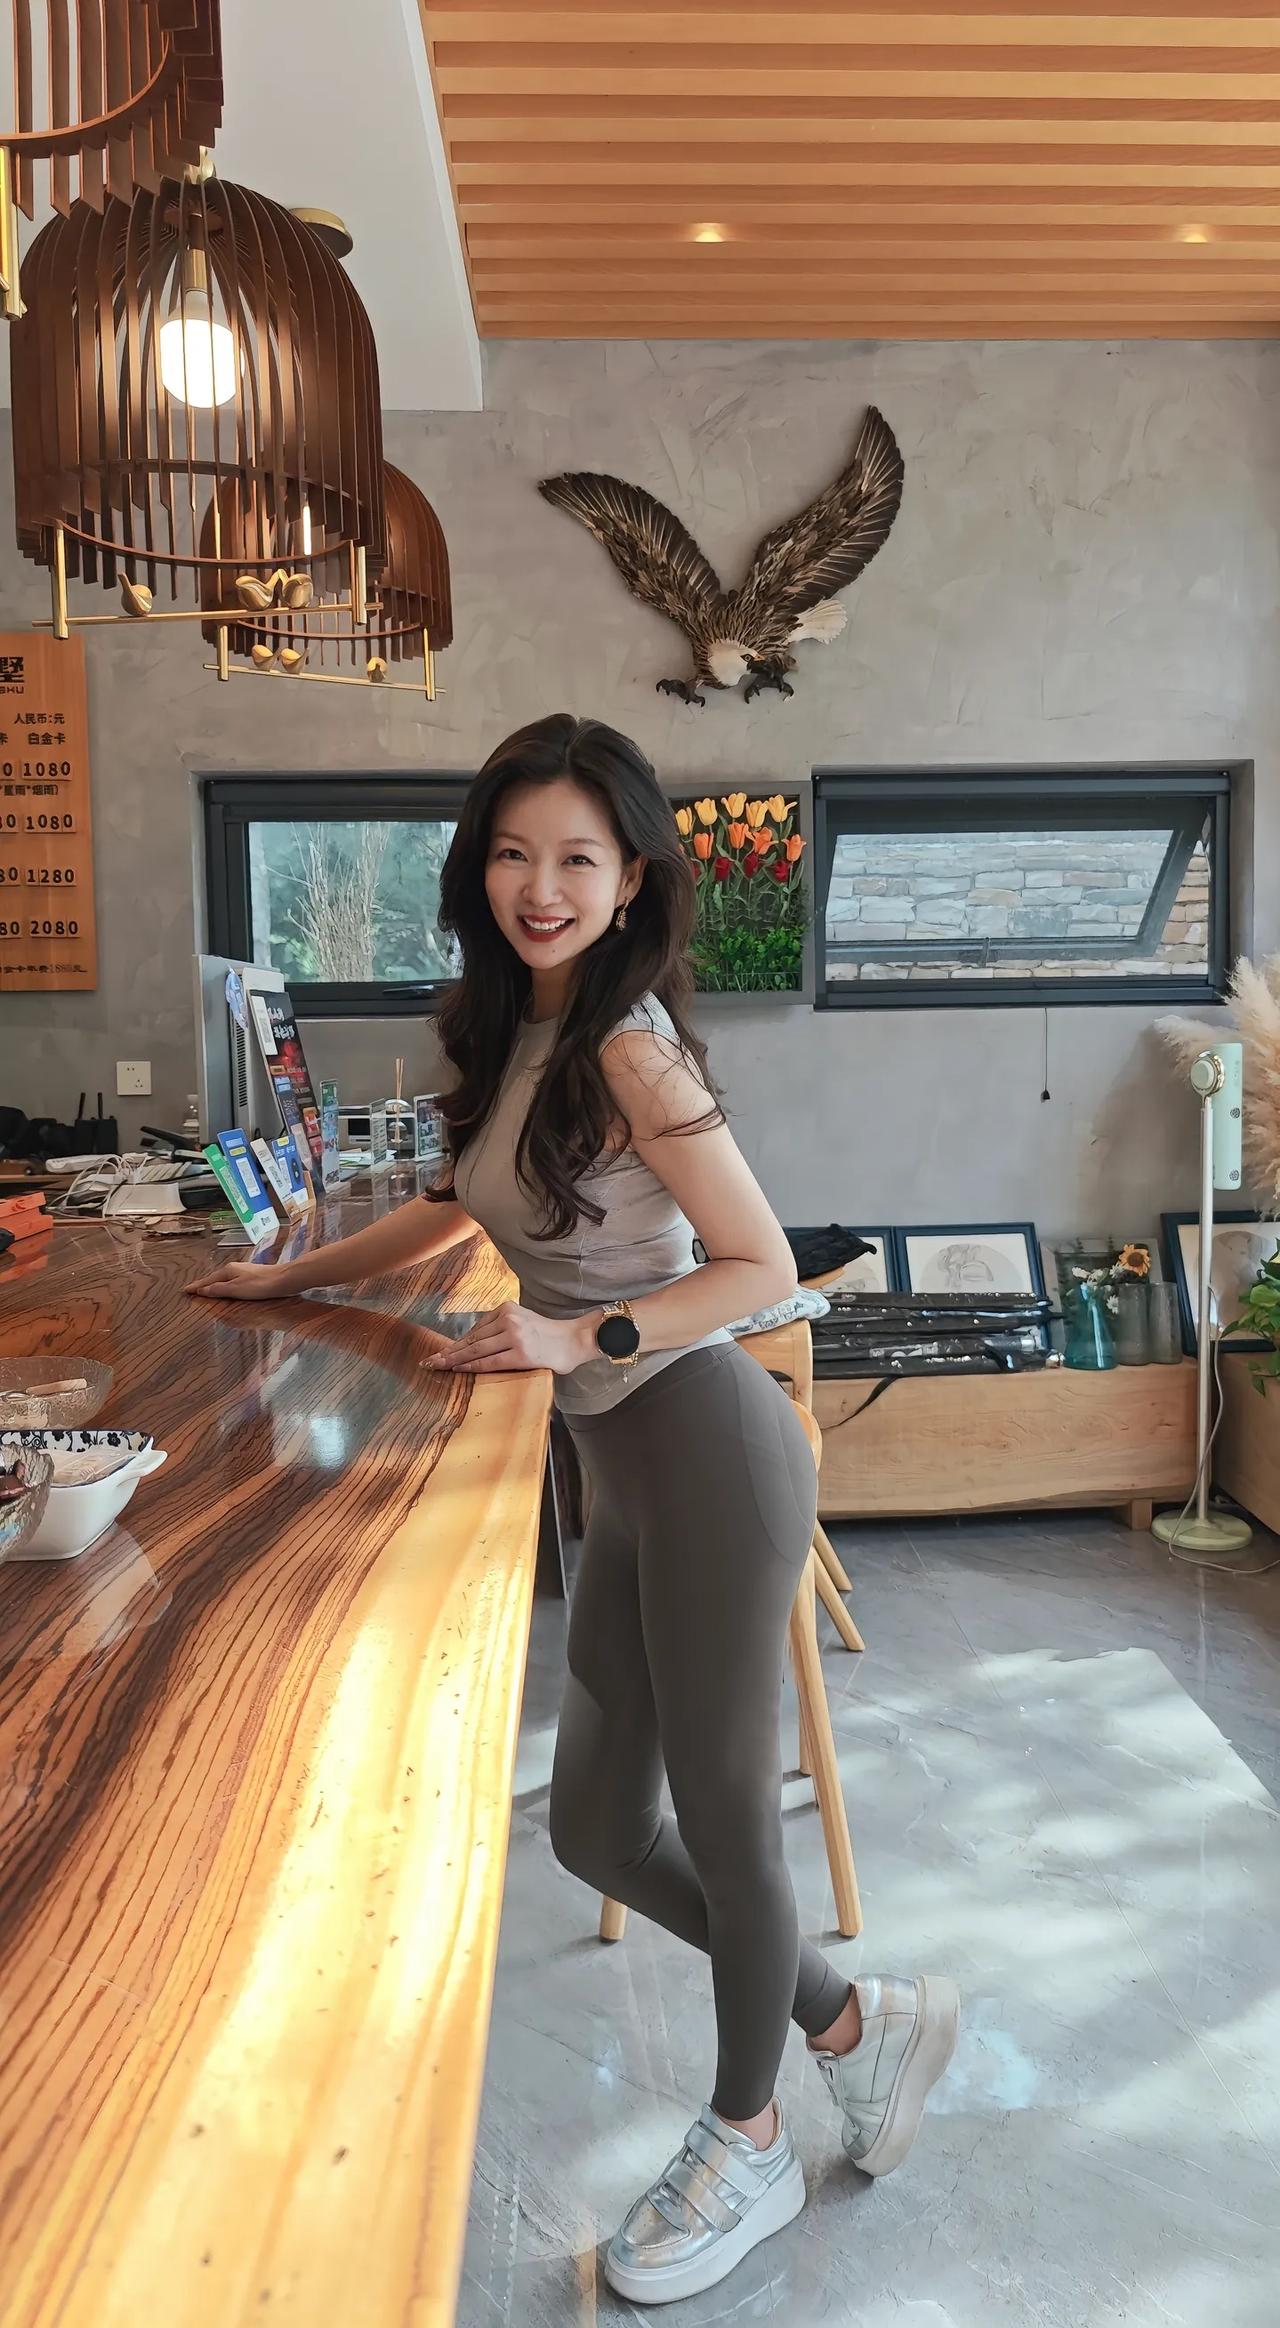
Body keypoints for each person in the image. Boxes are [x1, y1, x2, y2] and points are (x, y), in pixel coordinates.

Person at [192, 714, 959, 2306]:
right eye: (513, 853)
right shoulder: (511, 1023)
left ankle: (750, 2138)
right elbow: (442, 1204)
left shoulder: (630, 1045)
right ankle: (852, 2022)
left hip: (710, 1450)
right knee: (600, 1828)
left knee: (730, 1828)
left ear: (631, 882)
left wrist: (577, 1336)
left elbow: (756, 1264)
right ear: (480, 868)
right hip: (627, 1470)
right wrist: (285, 1276)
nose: (540, 886)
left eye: (577, 859)